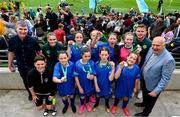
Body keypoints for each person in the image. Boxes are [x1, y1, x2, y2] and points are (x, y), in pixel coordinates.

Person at [135, 36, 175, 117]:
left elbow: (165, 78)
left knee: (151, 102)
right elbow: (146, 62)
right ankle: (143, 103)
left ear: (164, 45)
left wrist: (156, 91)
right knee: (145, 95)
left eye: (158, 45)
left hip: (154, 85)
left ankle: (145, 113)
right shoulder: (151, 49)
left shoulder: (169, 60)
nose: (154, 47)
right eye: (153, 44)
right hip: (145, 80)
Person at [8, 20, 41, 101]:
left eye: (25, 29)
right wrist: (10, 65)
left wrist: (42, 64)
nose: (23, 31)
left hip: (33, 66)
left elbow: (39, 52)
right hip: (21, 66)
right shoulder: (12, 40)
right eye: (21, 29)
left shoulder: (33, 40)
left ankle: (37, 94)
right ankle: (30, 94)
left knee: (36, 81)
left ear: (27, 29)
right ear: (16, 29)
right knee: (26, 82)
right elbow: (11, 52)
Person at [74, 47, 96, 114]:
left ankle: (86, 103)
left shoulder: (92, 63)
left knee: (88, 94)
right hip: (81, 84)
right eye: (85, 56)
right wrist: (79, 87)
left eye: (89, 56)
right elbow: (76, 76)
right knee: (82, 95)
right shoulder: (77, 64)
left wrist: (91, 77)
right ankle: (82, 104)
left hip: (89, 84)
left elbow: (93, 74)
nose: (87, 58)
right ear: (81, 55)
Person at [93, 47, 115, 113]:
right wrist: (96, 86)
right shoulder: (96, 64)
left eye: (106, 55)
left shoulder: (110, 65)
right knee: (98, 96)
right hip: (98, 84)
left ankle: (107, 105)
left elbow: (110, 79)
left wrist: (113, 69)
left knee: (106, 97)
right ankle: (96, 104)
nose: (104, 57)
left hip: (107, 85)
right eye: (102, 55)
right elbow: (95, 76)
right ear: (99, 55)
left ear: (108, 55)